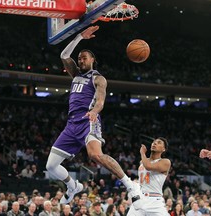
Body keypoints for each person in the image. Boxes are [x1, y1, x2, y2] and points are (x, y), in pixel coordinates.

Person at [45, 25, 141, 207]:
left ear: (92, 60)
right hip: (71, 124)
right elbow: (64, 55)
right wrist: (79, 37)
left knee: (96, 155)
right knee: (50, 166)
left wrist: (94, 112)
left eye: (84, 58)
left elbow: (100, 100)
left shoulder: (98, 78)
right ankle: (73, 186)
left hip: (89, 121)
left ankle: (130, 185)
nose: (80, 60)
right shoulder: (75, 74)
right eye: (79, 58)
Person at [127, 137, 171, 216]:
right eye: (154, 142)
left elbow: (148, 166)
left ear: (163, 149)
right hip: (139, 199)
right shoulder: (142, 162)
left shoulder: (165, 162)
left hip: (154, 200)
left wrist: (142, 153)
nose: (155, 143)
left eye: (159, 142)